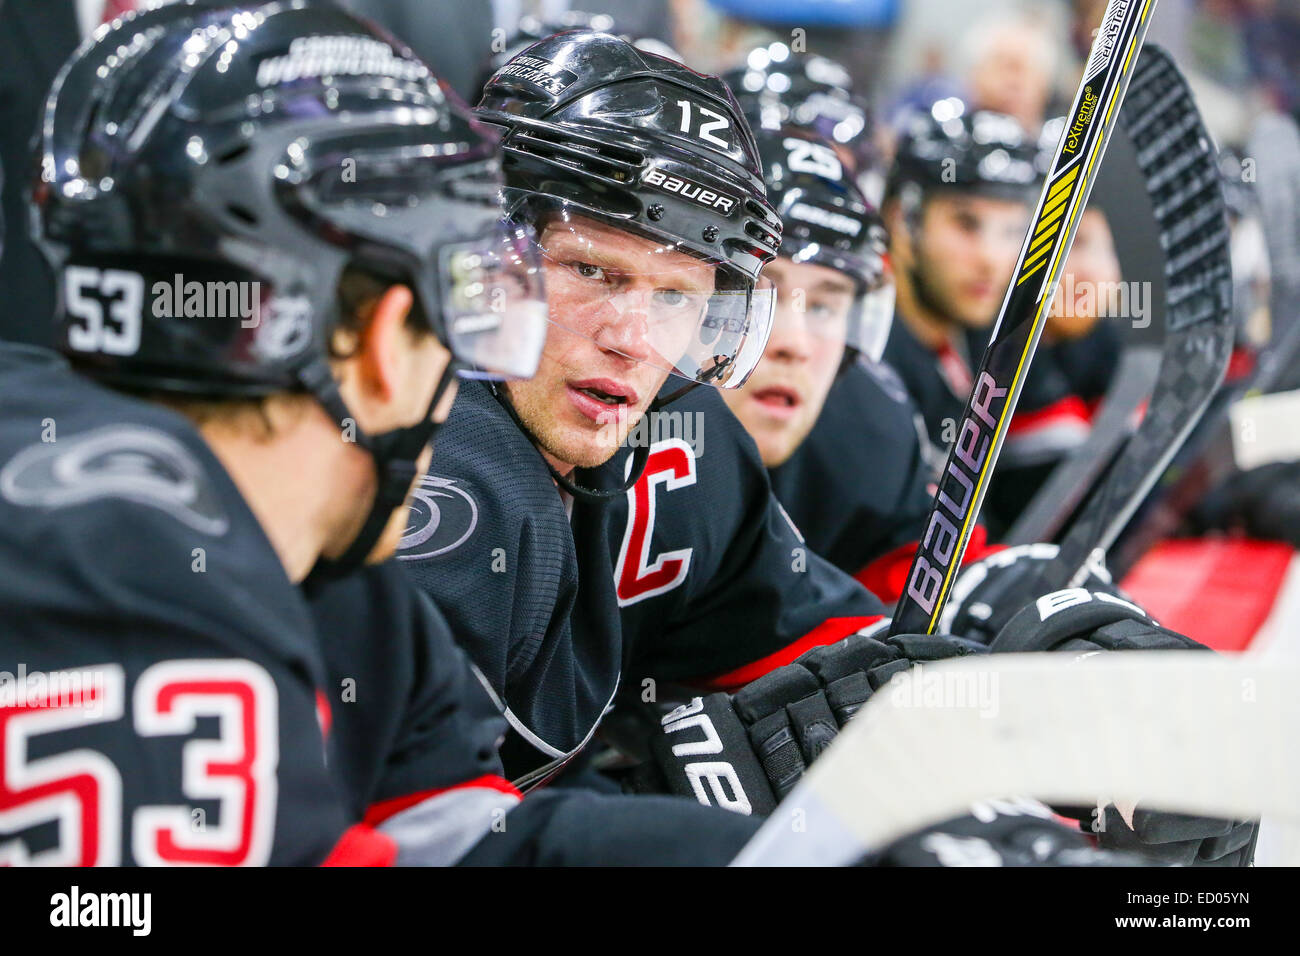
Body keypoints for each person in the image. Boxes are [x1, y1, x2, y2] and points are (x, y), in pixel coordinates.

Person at [4, 0, 761, 867]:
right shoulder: (146, 628)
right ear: (381, 342)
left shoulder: (341, 574)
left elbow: (460, 842)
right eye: (466, 315)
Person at [398, 30, 900, 790]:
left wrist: (993, 701)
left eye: (675, 296)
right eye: (591, 270)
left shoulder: (687, 436)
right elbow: (412, 834)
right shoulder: (427, 466)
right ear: (485, 257)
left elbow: (829, 649)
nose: (633, 341)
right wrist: (684, 807)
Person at [881, 102, 1041, 462]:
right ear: (904, 223)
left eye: (1013, 230)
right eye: (967, 224)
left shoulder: (982, 337)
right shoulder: (862, 351)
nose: (992, 258)